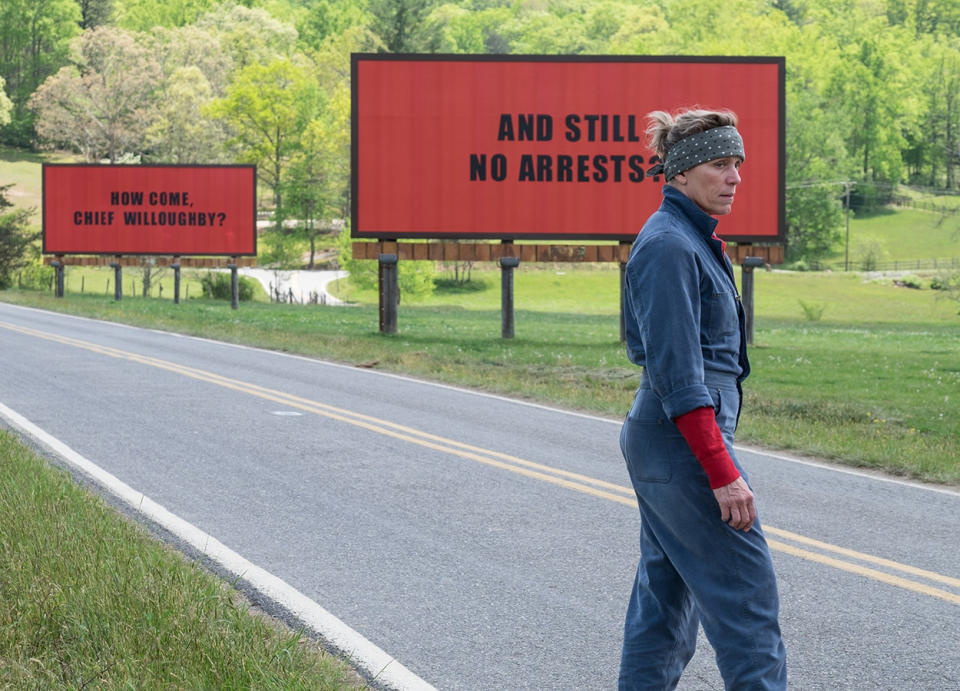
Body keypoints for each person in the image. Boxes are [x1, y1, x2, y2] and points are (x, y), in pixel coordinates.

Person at [618, 107, 787, 690]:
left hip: (675, 440)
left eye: (738, 163)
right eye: (720, 164)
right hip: (681, 441)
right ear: (681, 174)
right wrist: (721, 470)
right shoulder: (668, 246)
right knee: (747, 605)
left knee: (665, 606)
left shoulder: (689, 239)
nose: (735, 176)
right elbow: (679, 376)